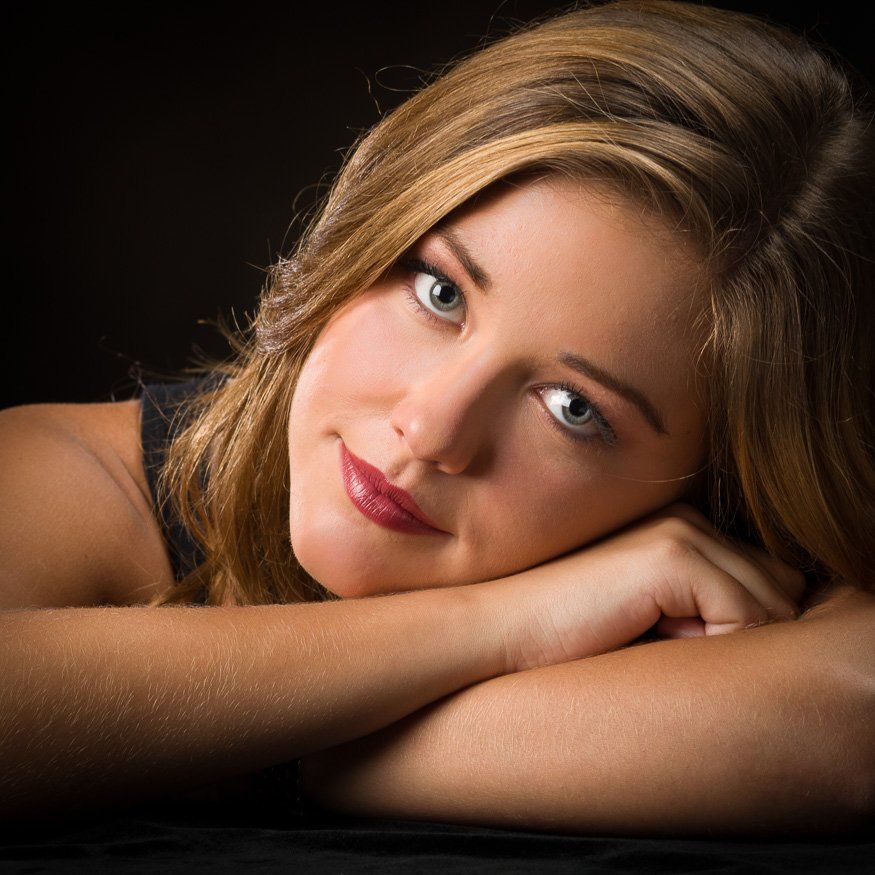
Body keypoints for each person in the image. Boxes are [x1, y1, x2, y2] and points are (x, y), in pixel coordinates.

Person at [1, 0, 873, 839]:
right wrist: (507, 623)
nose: (430, 426)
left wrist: (227, 741)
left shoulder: (734, 557)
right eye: (439, 292)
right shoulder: (64, 473)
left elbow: (851, 714)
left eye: (573, 410)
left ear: (710, 484)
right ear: (363, 233)